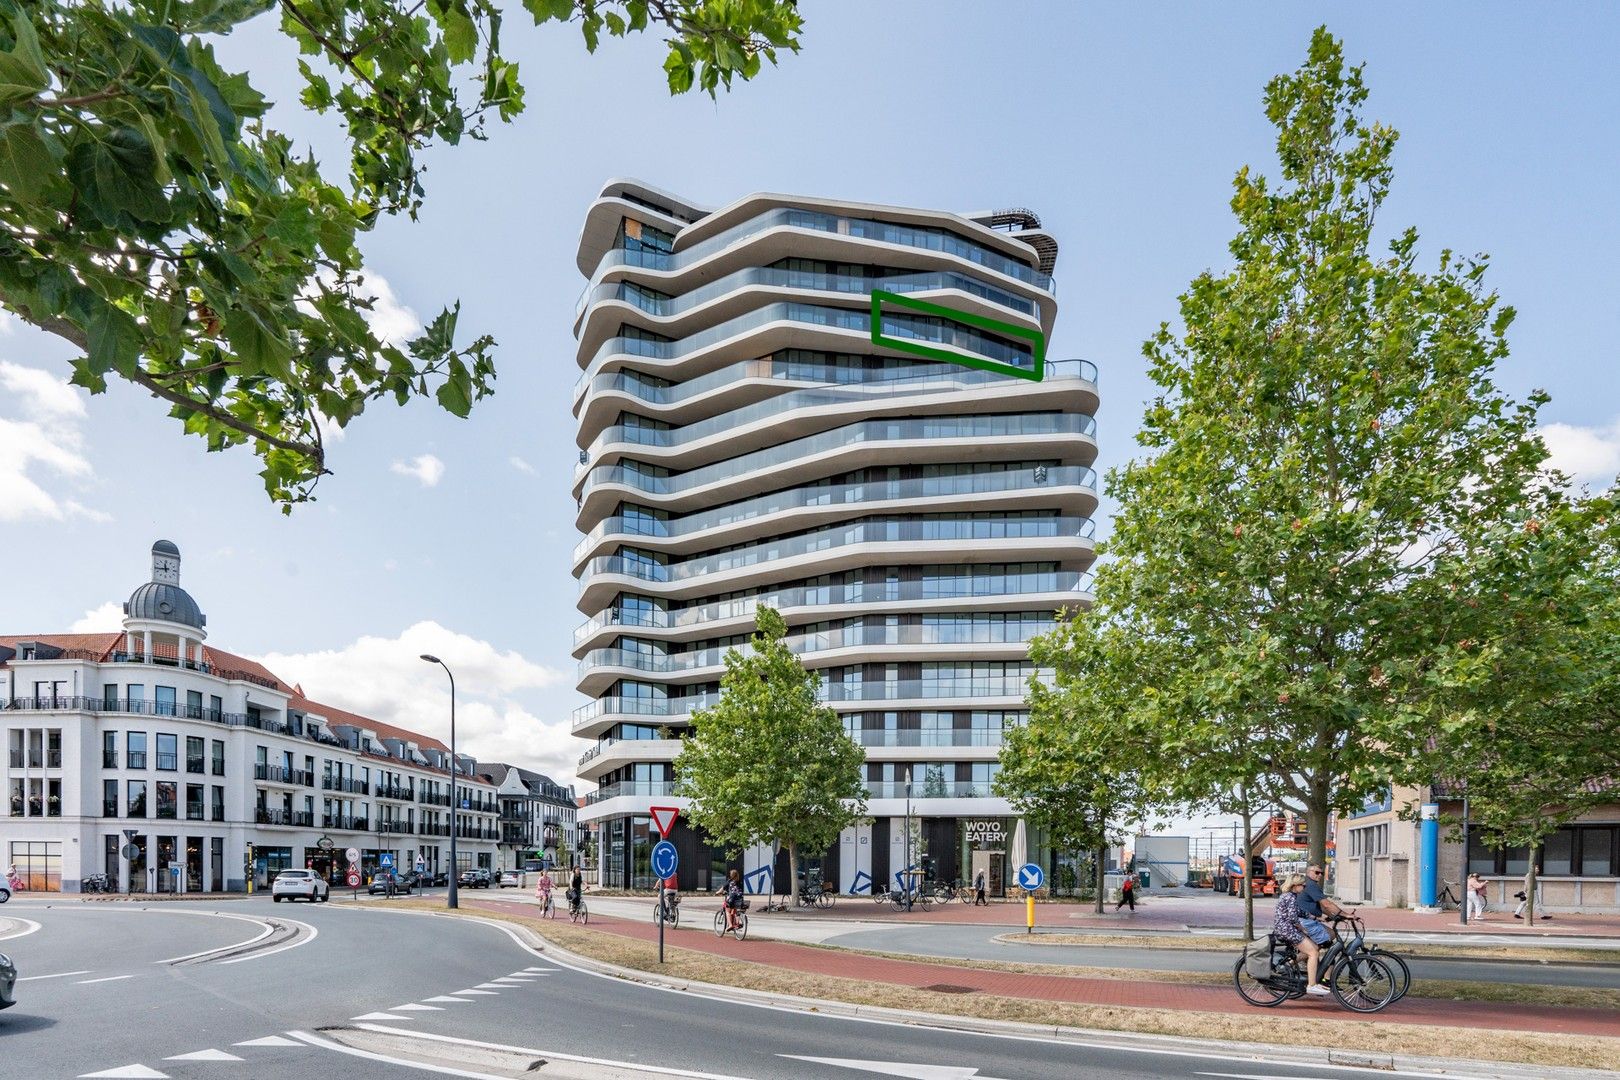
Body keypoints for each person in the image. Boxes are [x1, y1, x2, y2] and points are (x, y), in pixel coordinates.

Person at [1273, 873, 1330, 996]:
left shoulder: (1291, 896)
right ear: (1295, 885)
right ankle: (1311, 985)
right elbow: (1293, 918)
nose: (1304, 888)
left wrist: (1318, 917)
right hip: (1287, 930)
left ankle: (1291, 966)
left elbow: (1302, 913)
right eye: (1303, 885)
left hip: (1287, 929)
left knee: (1315, 947)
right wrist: (1302, 928)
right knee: (1313, 952)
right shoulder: (1289, 897)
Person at [1296, 863, 1342, 954]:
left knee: (1325, 940)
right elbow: (1326, 904)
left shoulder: (1308, 883)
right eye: (1317, 872)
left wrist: (1332, 916)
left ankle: (1307, 961)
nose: (1320, 875)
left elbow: (1322, 906)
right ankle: (1294, 962)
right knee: (1319, 945)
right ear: (1309, 872)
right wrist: (1344, 914)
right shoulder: (1311, 884)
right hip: (1306, 921)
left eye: (1322, 873)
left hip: (1307, 919)